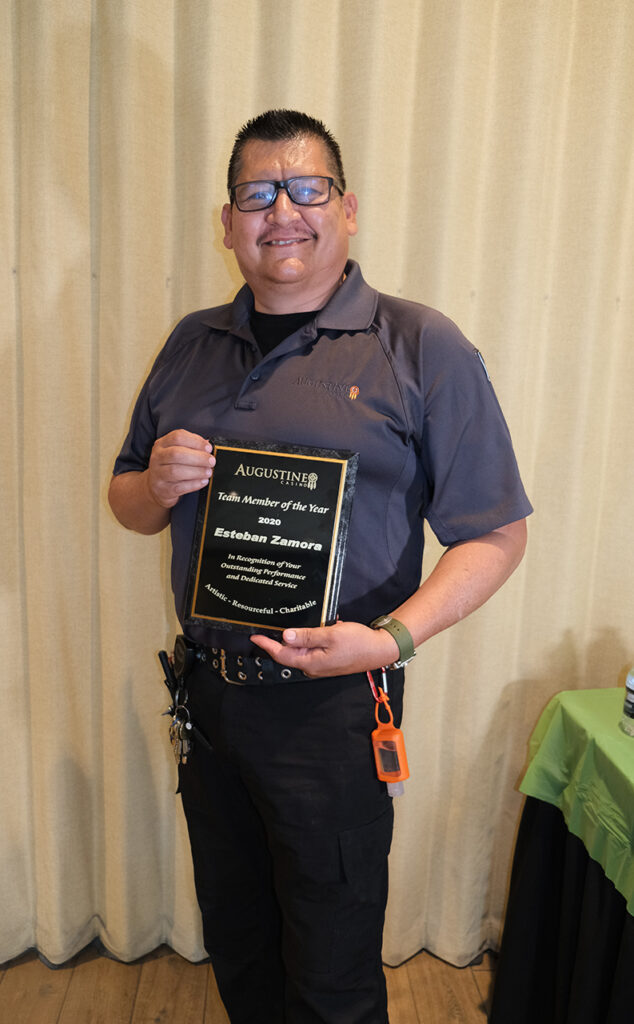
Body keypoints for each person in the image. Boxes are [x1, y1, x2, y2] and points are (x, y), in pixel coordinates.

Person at [108, 109, 532, 1024]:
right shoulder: (191, 344)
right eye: (257, 194)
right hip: (210, 700)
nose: (283, 212)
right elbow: (127, 506)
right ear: (228, 222)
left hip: (335, 715)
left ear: (347, 210)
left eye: (308, 189)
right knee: (242, 943)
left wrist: (389, 640)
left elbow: (496, 534)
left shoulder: (422, 346)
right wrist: (155, 481)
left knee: (334, 970)